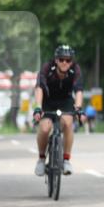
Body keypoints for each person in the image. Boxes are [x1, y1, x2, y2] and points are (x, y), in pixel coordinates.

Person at [33, 45, 84, 176]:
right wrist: (38, 107)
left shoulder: (75, 70)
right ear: (56, 60)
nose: (64, 62)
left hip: (65, 101)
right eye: (61, 59)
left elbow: (78, 90)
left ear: (71, 61)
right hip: (48, 101)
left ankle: (66, 160)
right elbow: (39, 88)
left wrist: (78, 109)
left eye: (68, 60)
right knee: (44, 128)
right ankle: (41, 159)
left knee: (67, 123)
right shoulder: (47, 68)